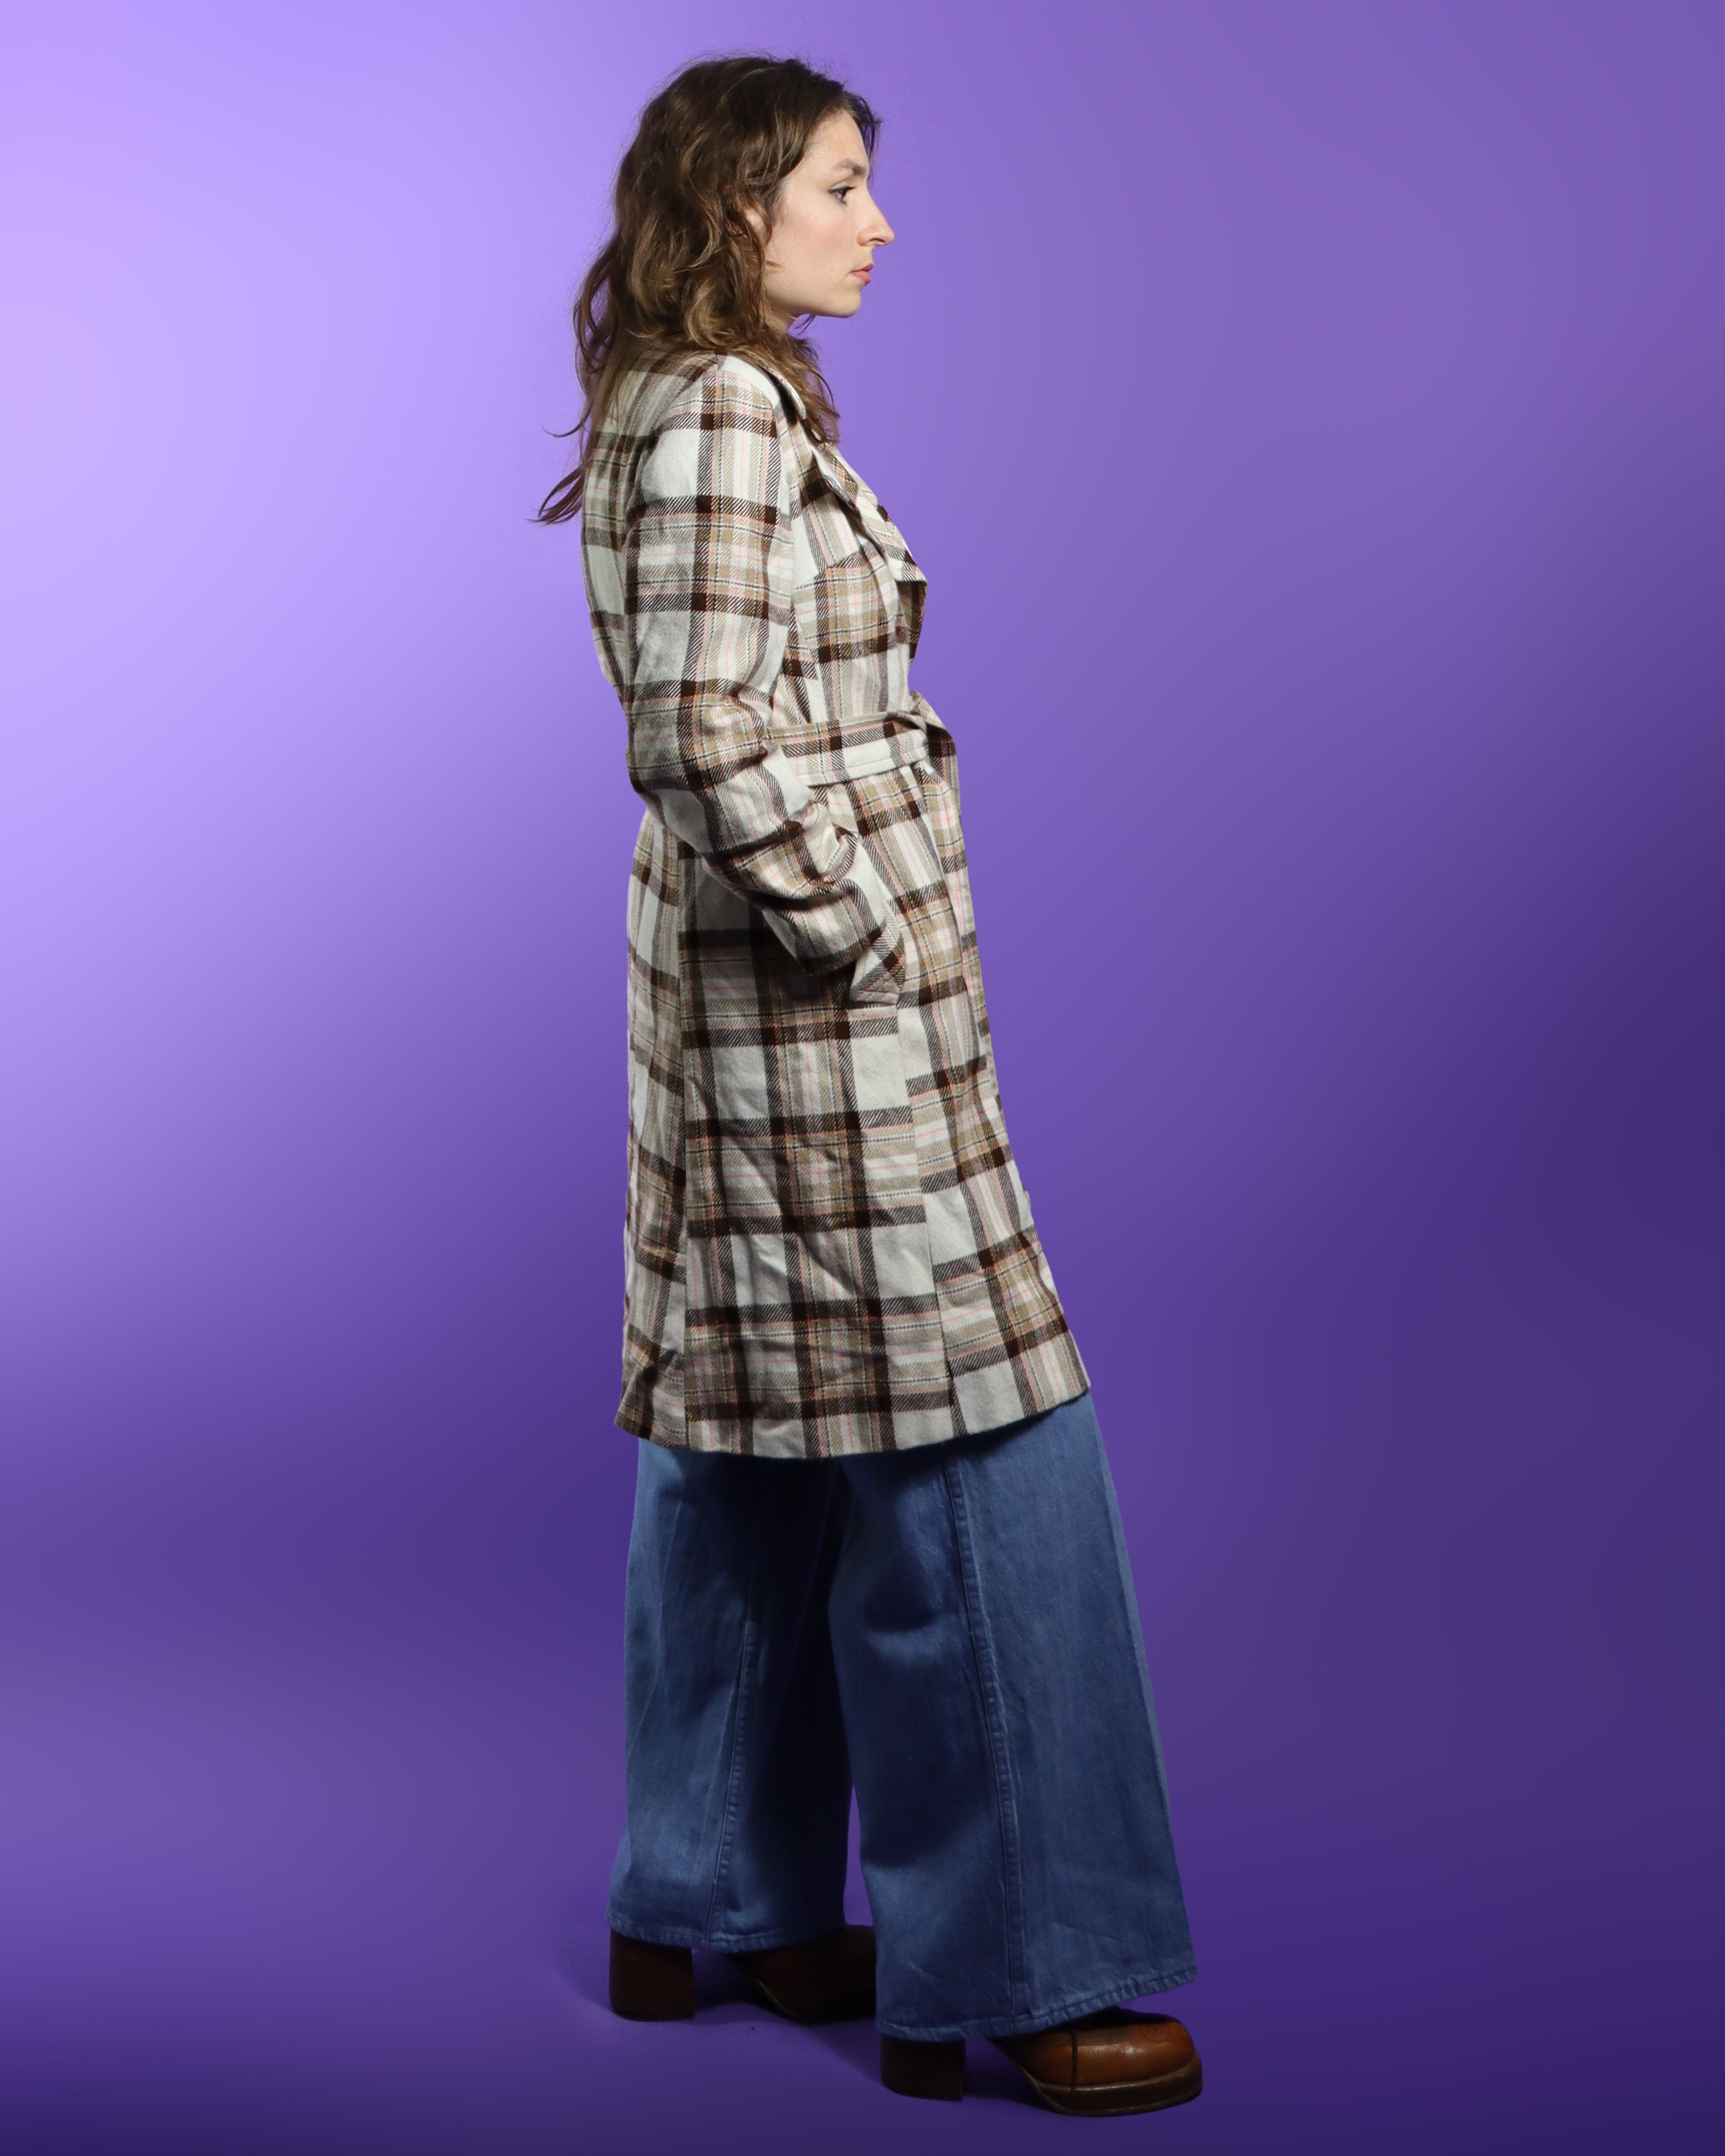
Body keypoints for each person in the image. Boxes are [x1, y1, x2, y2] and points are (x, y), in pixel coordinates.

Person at [542, 54, 1199, 2116]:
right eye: (840, 184)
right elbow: (698, 729)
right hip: (817, 1031)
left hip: (747, 1034)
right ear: (740, 199)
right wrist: (865, 924)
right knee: (979, 1454)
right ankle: (1022, 1968)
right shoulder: (726, 413)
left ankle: (706, 1906)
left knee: (748, 1435)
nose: (876, 220)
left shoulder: (690, 397)